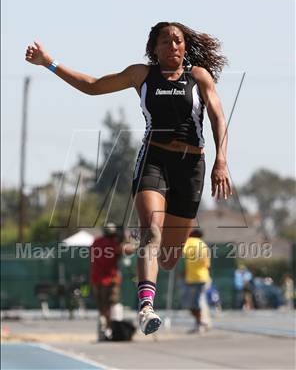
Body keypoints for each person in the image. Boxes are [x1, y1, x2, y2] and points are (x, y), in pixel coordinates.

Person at [25, 21, 232, 335]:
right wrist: (48, 62)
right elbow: (92, 85)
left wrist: (222, 160)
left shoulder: (199, 77)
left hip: (191, 166)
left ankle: (152, 270)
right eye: (166, 41)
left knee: (169, 259)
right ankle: (146, 305)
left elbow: (217, 116)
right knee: (151, 231)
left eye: (178, 41)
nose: (173, 46)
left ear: (184, 47)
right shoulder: (141, 75)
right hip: (154, 159)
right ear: (155, 49)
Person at [90, 223, 135, 340]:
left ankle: (103, 328)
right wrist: (125, 239)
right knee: (111, 305)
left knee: (102, 307)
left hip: (96, 279)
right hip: (110, 280)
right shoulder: (113, 244)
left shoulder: (96, 242)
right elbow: (129, 250)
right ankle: (111, 329)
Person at [182, 228, 211, 333]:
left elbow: (179, 252)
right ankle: (202, 323)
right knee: (200, 302)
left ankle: (201, 323)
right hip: (204, 277)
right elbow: (207, 265)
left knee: (193, 304)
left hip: (193, 278)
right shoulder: (204, 245)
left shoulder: (190, 242)